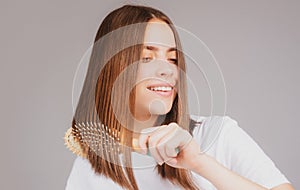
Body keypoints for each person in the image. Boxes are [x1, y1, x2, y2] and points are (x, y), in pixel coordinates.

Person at [64, 4, 294, 190]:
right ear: (113, 68)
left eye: (173, 59)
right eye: (146, 58)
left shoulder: (217, 134)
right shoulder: (89, 169)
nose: (168, 70)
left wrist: (199, 162)